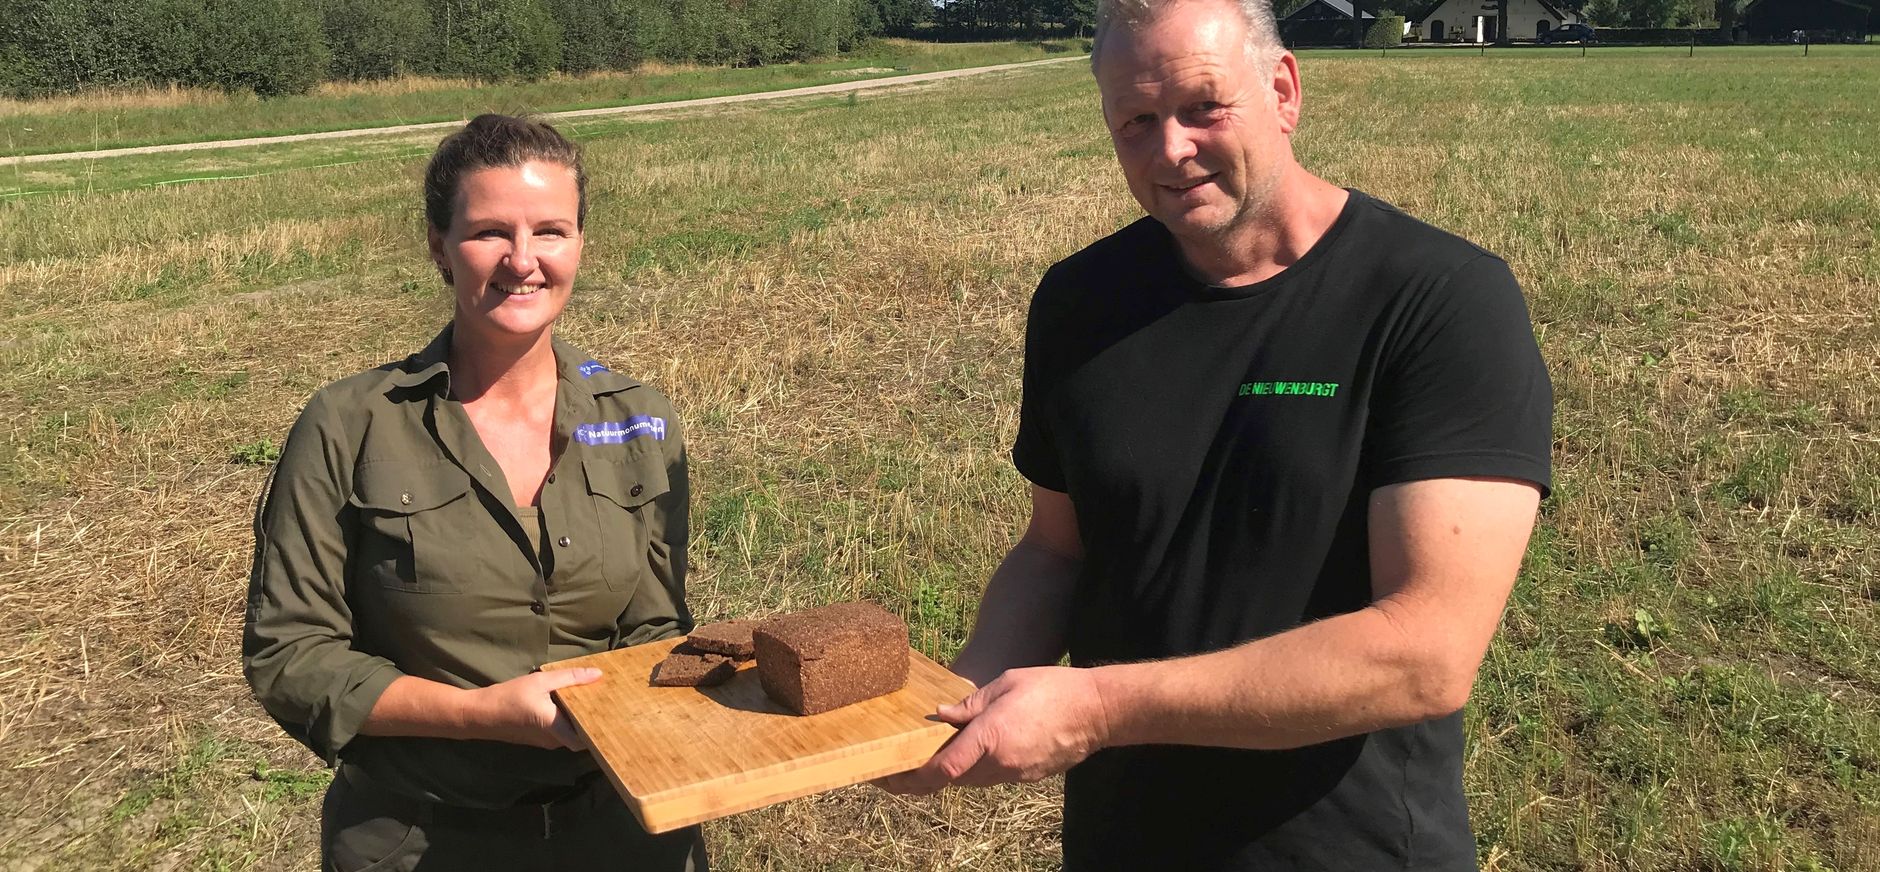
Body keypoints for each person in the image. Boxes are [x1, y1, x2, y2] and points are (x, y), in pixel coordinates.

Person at [880, 1, 1553, 869]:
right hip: (1122, 839)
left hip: (1347, 845)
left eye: (1204, 107)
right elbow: (1057, 551)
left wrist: (1097, 708)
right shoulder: (1081, 303)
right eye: (1137, 121)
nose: (1171, 150)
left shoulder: (1437, 301)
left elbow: (1424, 654)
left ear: (1283, 89)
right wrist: (955, 703)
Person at [244, 114, 706, 871]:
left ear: (580, 244)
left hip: (625, 828)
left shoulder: (640, 419)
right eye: (490, 231)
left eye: (551, 231)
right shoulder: (350, 425)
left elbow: (656, 625)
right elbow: (289, 654)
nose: (523, 260)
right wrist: (479, 715)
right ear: (438, 246)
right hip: (423, 837)